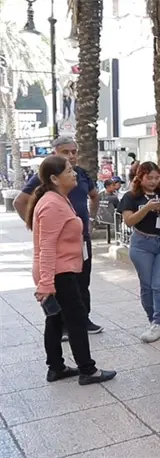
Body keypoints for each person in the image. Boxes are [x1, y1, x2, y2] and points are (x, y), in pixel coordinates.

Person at [27, 155, 117, 386]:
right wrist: (47, 283)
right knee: (76, 319)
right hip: (58, 273)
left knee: (55, 320)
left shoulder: (57, 199)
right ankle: (88, 370)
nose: (74, 173)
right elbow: (46, 248)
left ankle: (56, 367)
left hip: (58, 271)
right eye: (68, 171)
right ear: (55, 178)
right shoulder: (51, 204)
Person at [14, 136, 103, 336]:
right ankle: (63, 326)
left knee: (83, 280)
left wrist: (91, 220)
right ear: (55, 153)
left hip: (81, 239)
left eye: (74, 151)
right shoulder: (45, 177)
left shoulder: (80, 174)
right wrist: (35, 226)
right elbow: (20, 202)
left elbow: (95, 195)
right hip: (59, 243)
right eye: (66, 152)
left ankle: (83, 320)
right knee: (64, 284)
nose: (72, 156)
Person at [118, 162, 160, 343]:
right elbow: (129, 221)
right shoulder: (131, 196)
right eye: (149, 177)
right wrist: (147, 208)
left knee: (158, 285)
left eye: (156, 177)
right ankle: (153, 320)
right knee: (146, 286)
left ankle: (158, 322)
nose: (153, 181)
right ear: (140, 177)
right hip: (142, 244)